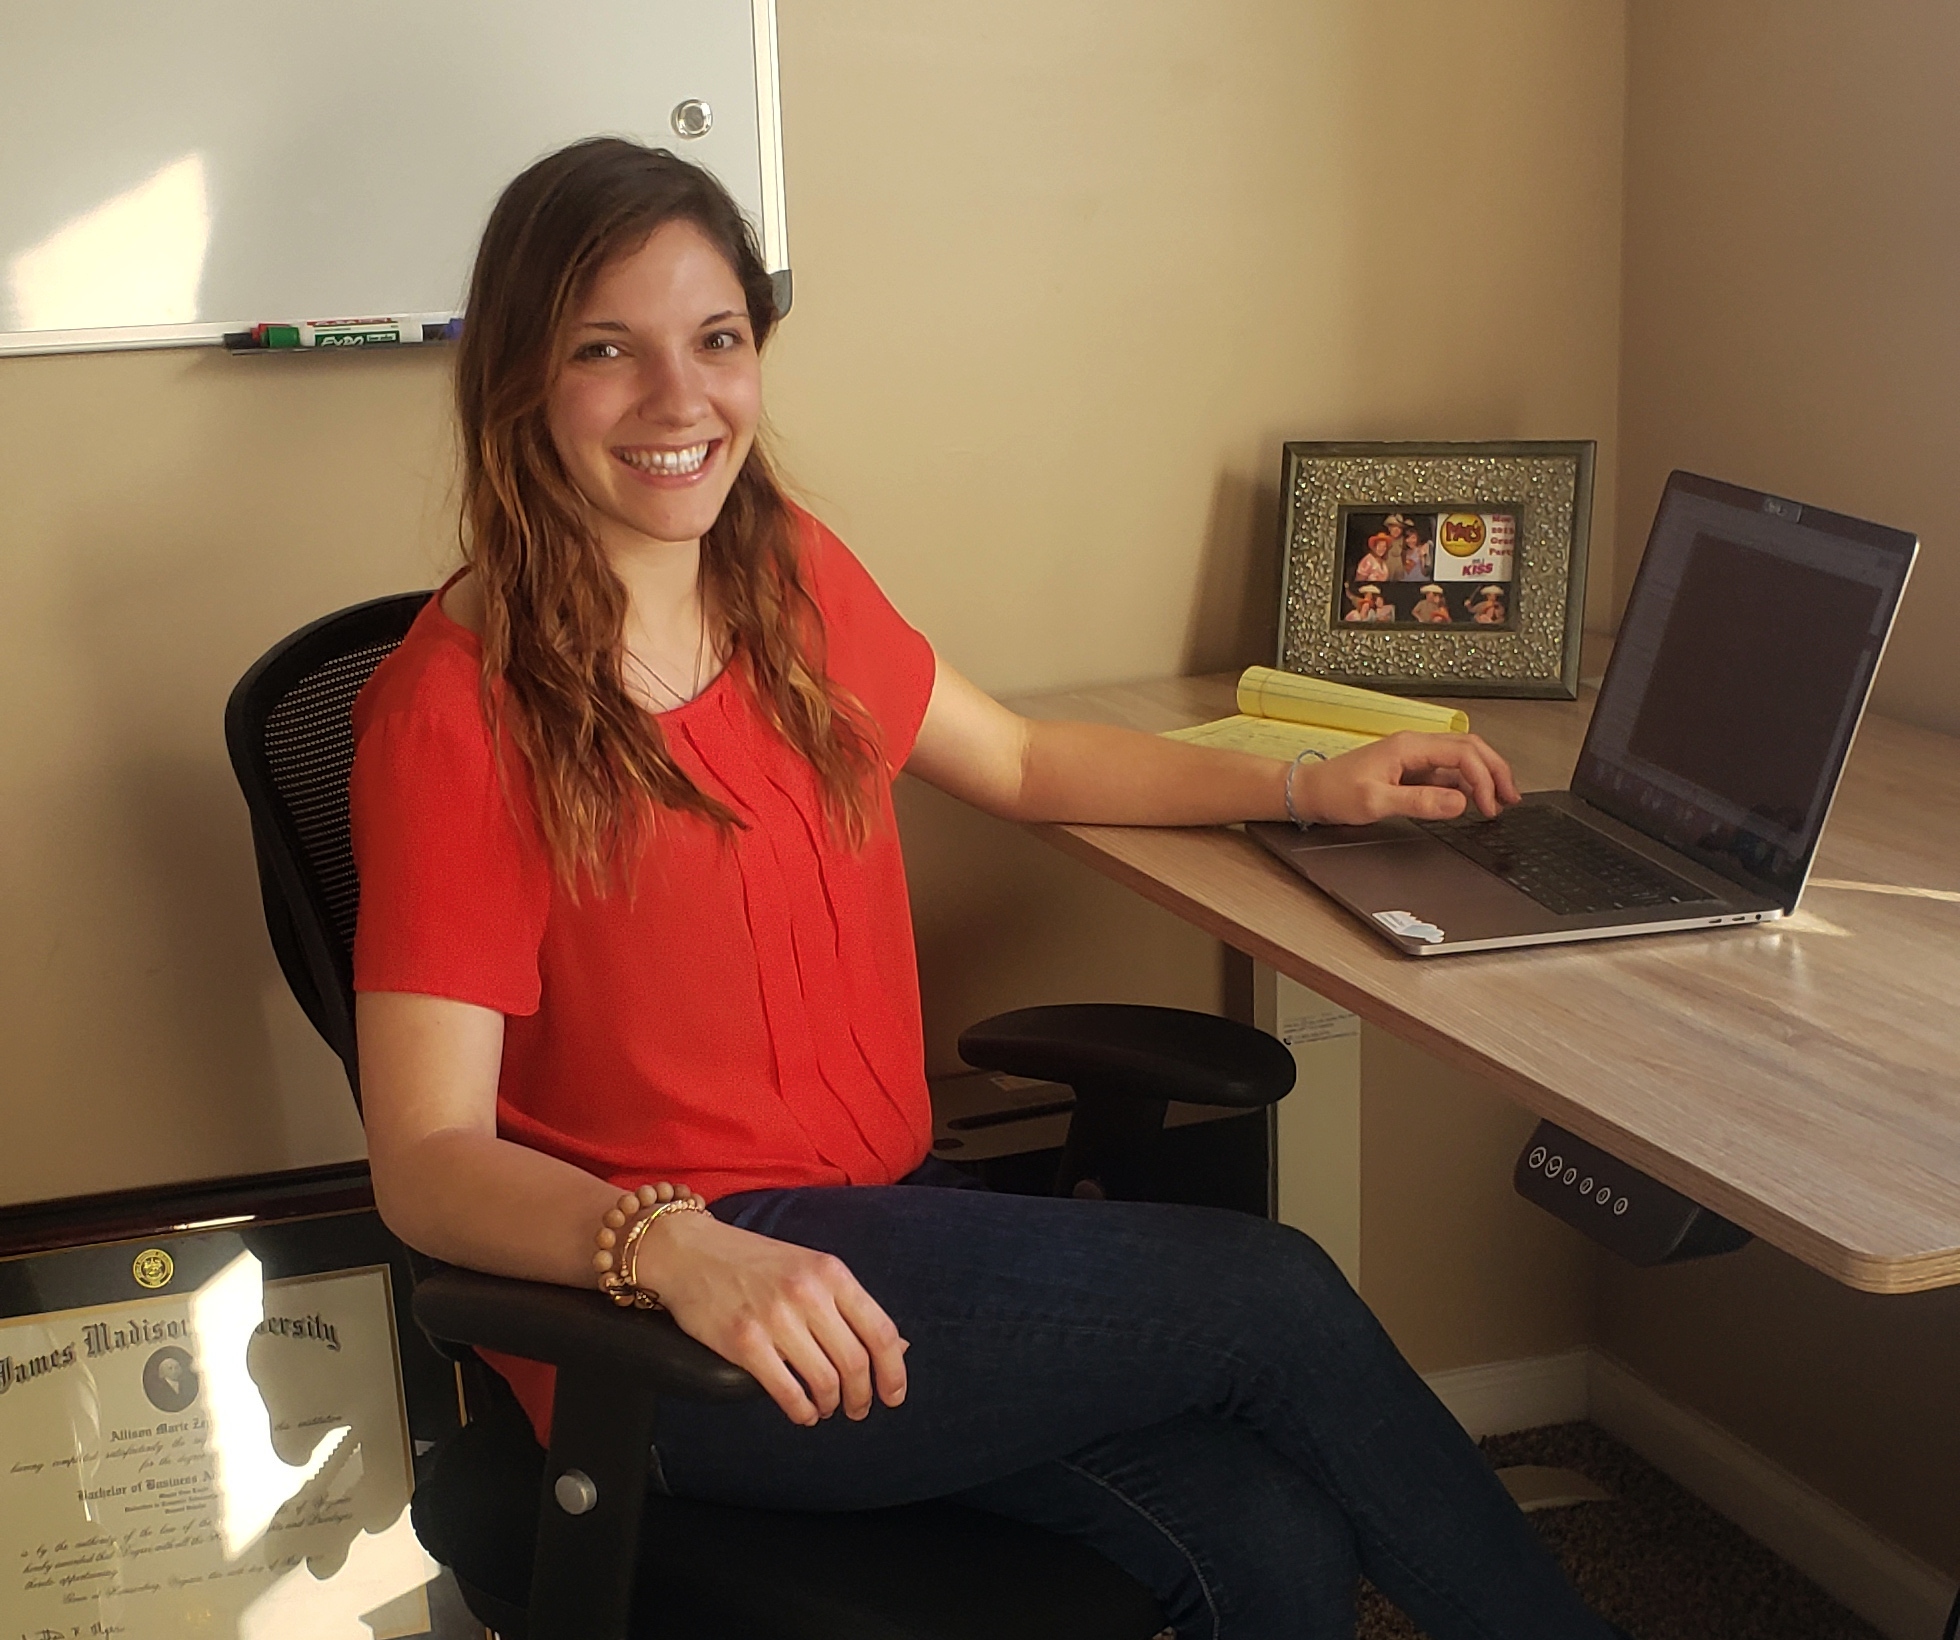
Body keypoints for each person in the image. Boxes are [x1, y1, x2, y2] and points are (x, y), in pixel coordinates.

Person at [350, 138, 1622, 1640]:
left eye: (719, 341)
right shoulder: (456, 712)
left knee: (1267, 1535)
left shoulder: (783, 580)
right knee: (1270, 1294)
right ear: (517, 377)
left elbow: (1017, 762)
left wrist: (1301, 782)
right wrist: (669, 1246)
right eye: (605, 351)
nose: (679, 401)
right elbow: (425, 1157)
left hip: (890, 1233)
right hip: (677, 1335)